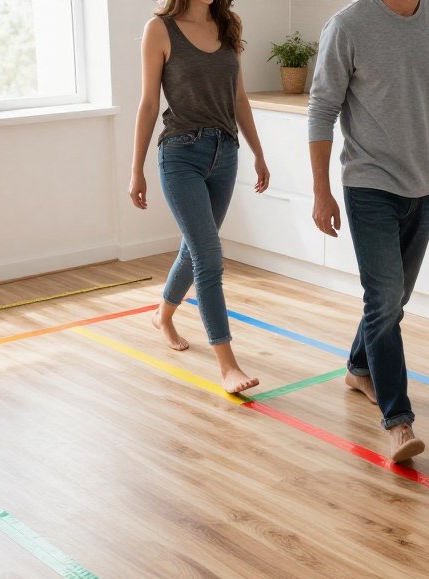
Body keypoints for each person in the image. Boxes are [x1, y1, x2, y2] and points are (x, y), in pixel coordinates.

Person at [308, 0, 429, 463]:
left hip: (425, 185)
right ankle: (398, 422)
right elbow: (322, 108)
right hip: (369, 184)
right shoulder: (348, 25)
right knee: (385, 298)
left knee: (391, 299)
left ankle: (358, 367)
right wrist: (321, 191)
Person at [130, 0, 269, 394]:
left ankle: (162, 315)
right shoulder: (160, 29)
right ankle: (227, 365)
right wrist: (136, 169)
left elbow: (239, 97)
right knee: (209, 256)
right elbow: (149, 103)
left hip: (226, 154)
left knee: (194, 252)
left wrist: (258, 153)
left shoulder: (229, 23)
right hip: (180, 155)